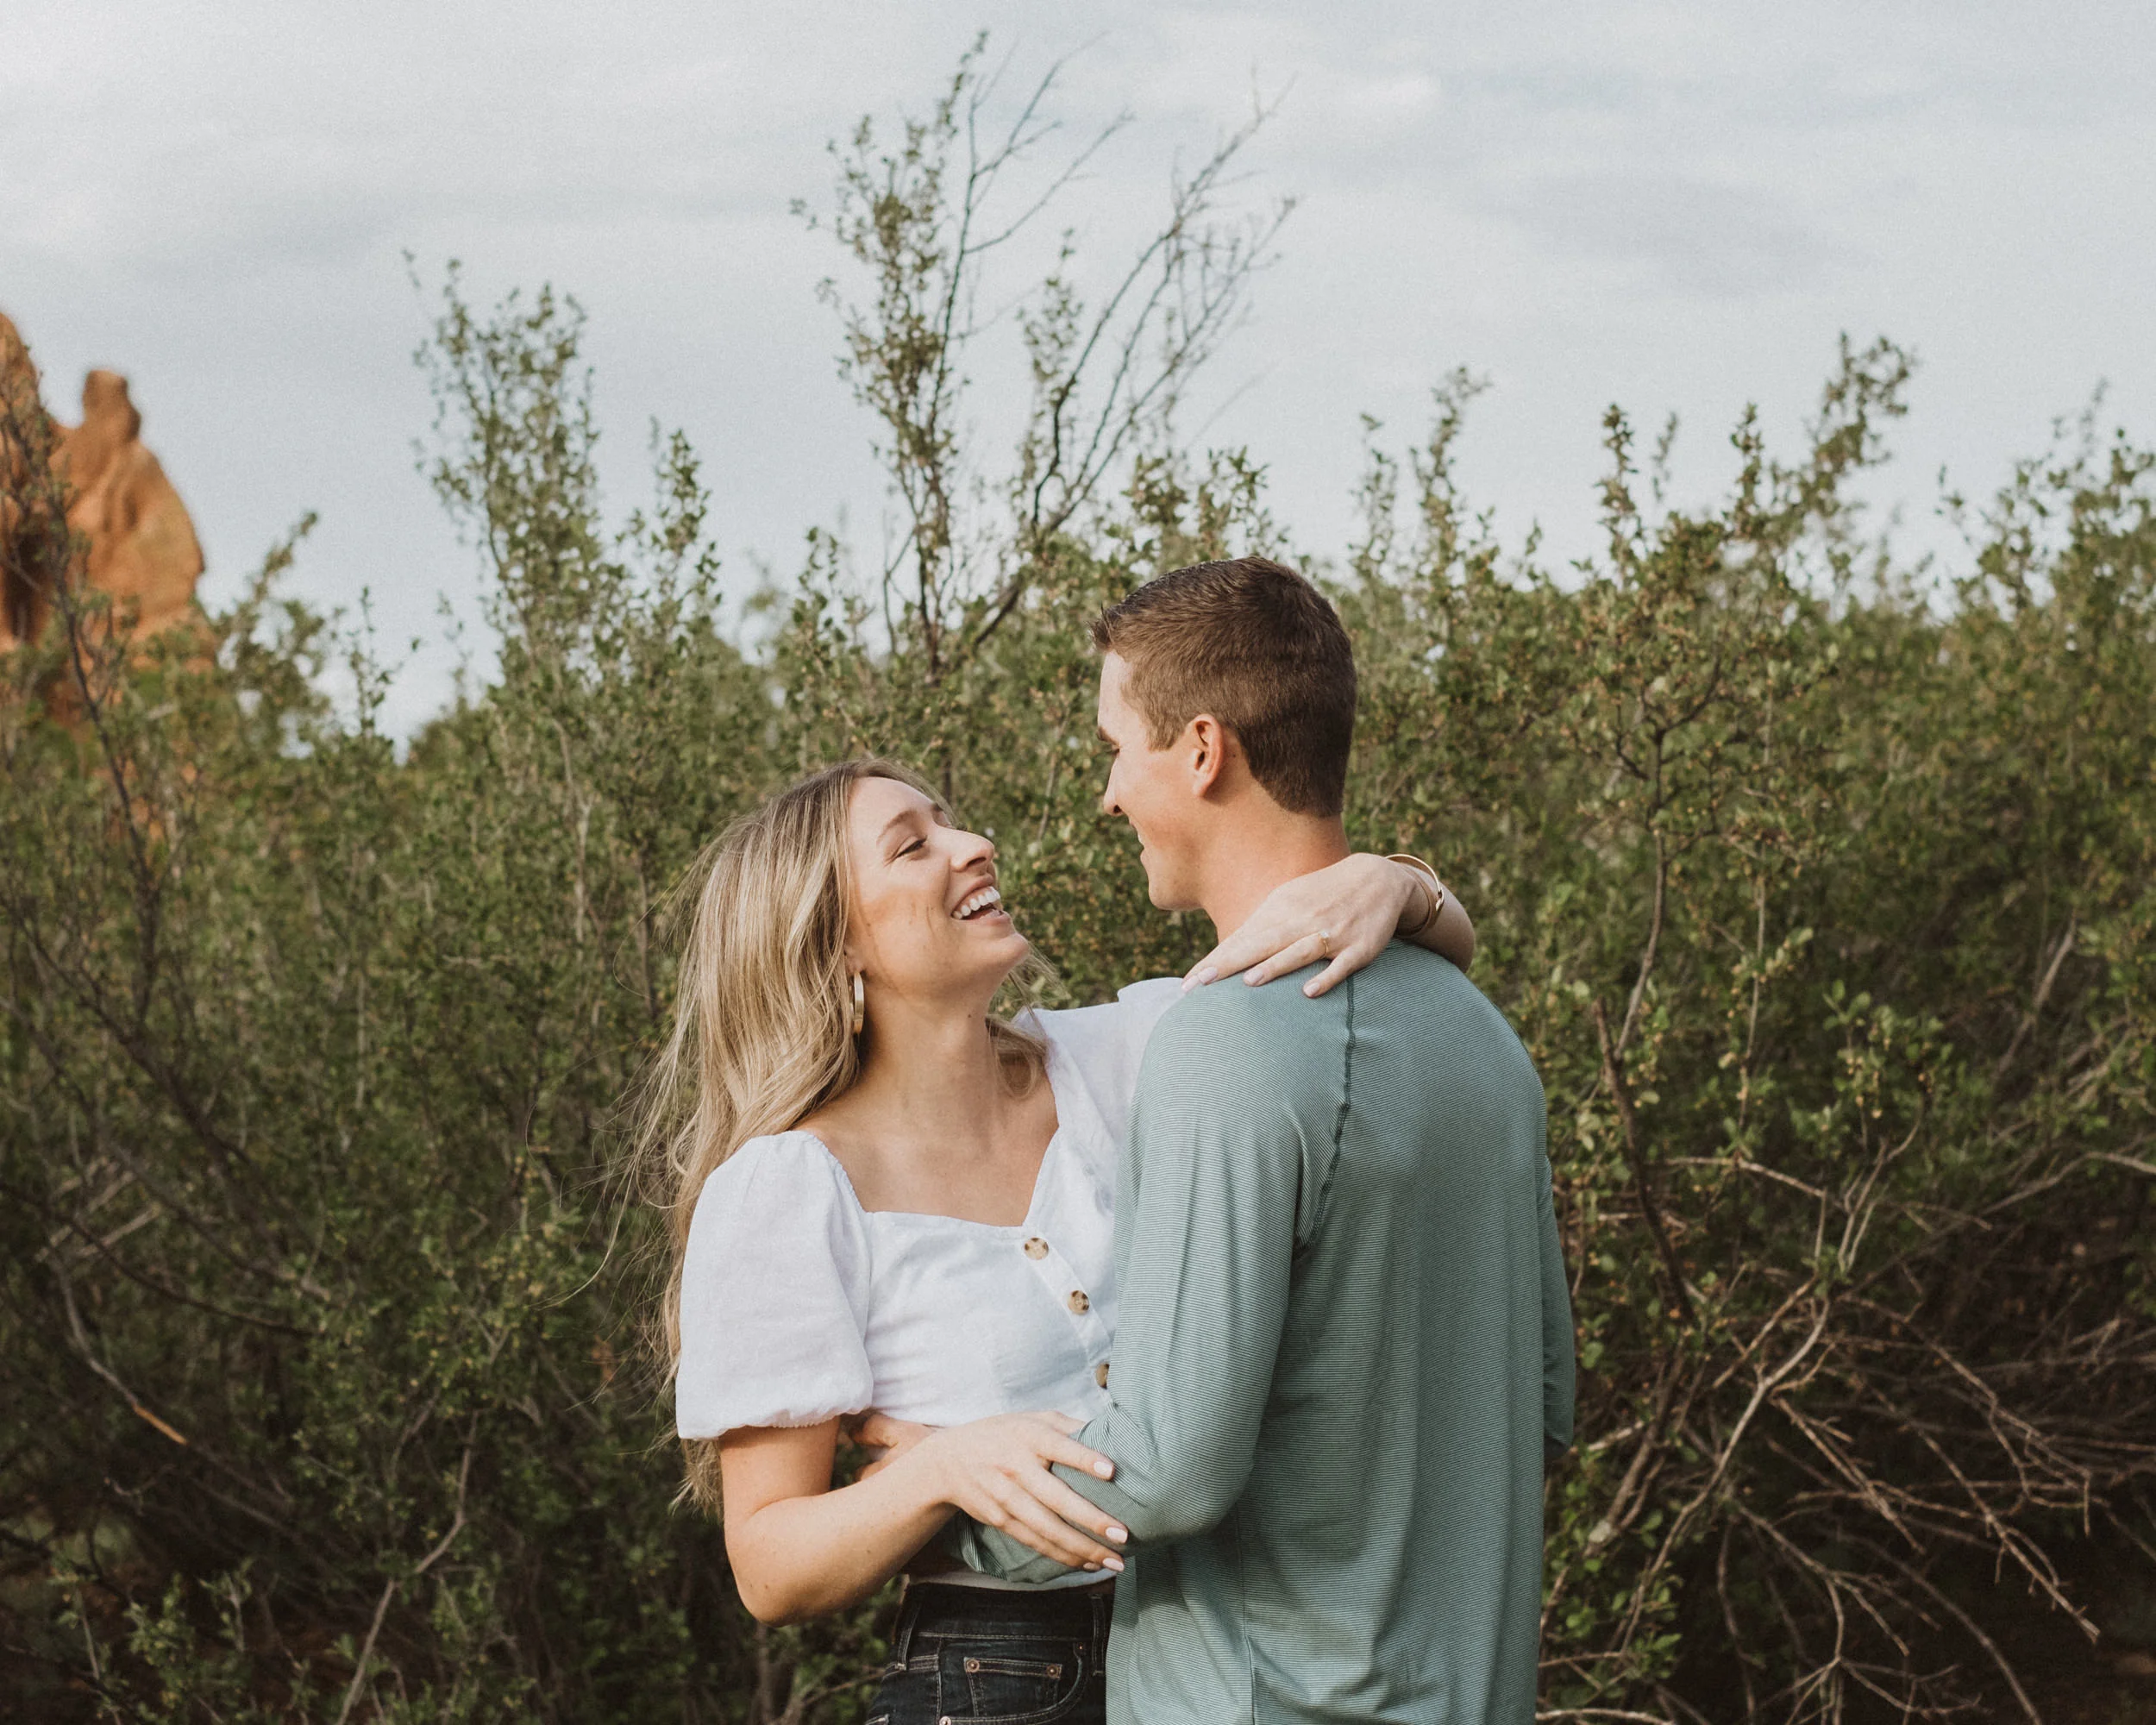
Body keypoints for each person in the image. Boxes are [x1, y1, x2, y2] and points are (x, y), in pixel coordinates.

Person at [635, 750, 1475, 1723]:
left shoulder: (1121, 1056)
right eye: (913, 846)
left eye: (950, 820)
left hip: (1223, 1645)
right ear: (835, 947)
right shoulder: (787, 1191)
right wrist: (943, 1469)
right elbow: (770, 1566)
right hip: (996, 1672)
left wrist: (1397, 884)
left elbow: (1376, 978)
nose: (973, 844)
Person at [920, 557, 1576, 1724]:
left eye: (1116, 748)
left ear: (1202, 751)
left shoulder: (1223, 1043)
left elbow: (1167, 1467)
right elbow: (1544, 1406)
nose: (1107, 795)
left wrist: (938, 1513)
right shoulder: (1484, 1036)